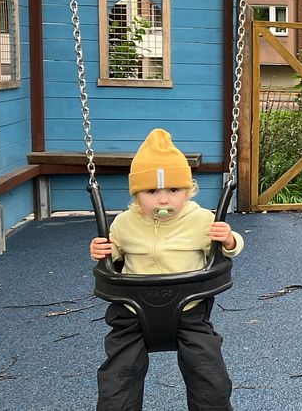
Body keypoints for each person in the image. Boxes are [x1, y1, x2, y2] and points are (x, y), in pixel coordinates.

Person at [89, 128, 244, 411]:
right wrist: (102, 251)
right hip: (132, 313)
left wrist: (229, 238)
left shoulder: (201, 220)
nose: (163, 200)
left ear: (188, 190)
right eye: (151, 191)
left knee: (210, 378)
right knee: (117, 380)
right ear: (136, 195)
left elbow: (231, 248)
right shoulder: (124, 223)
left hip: (190, 310)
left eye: (174, 190)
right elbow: (113, 255)